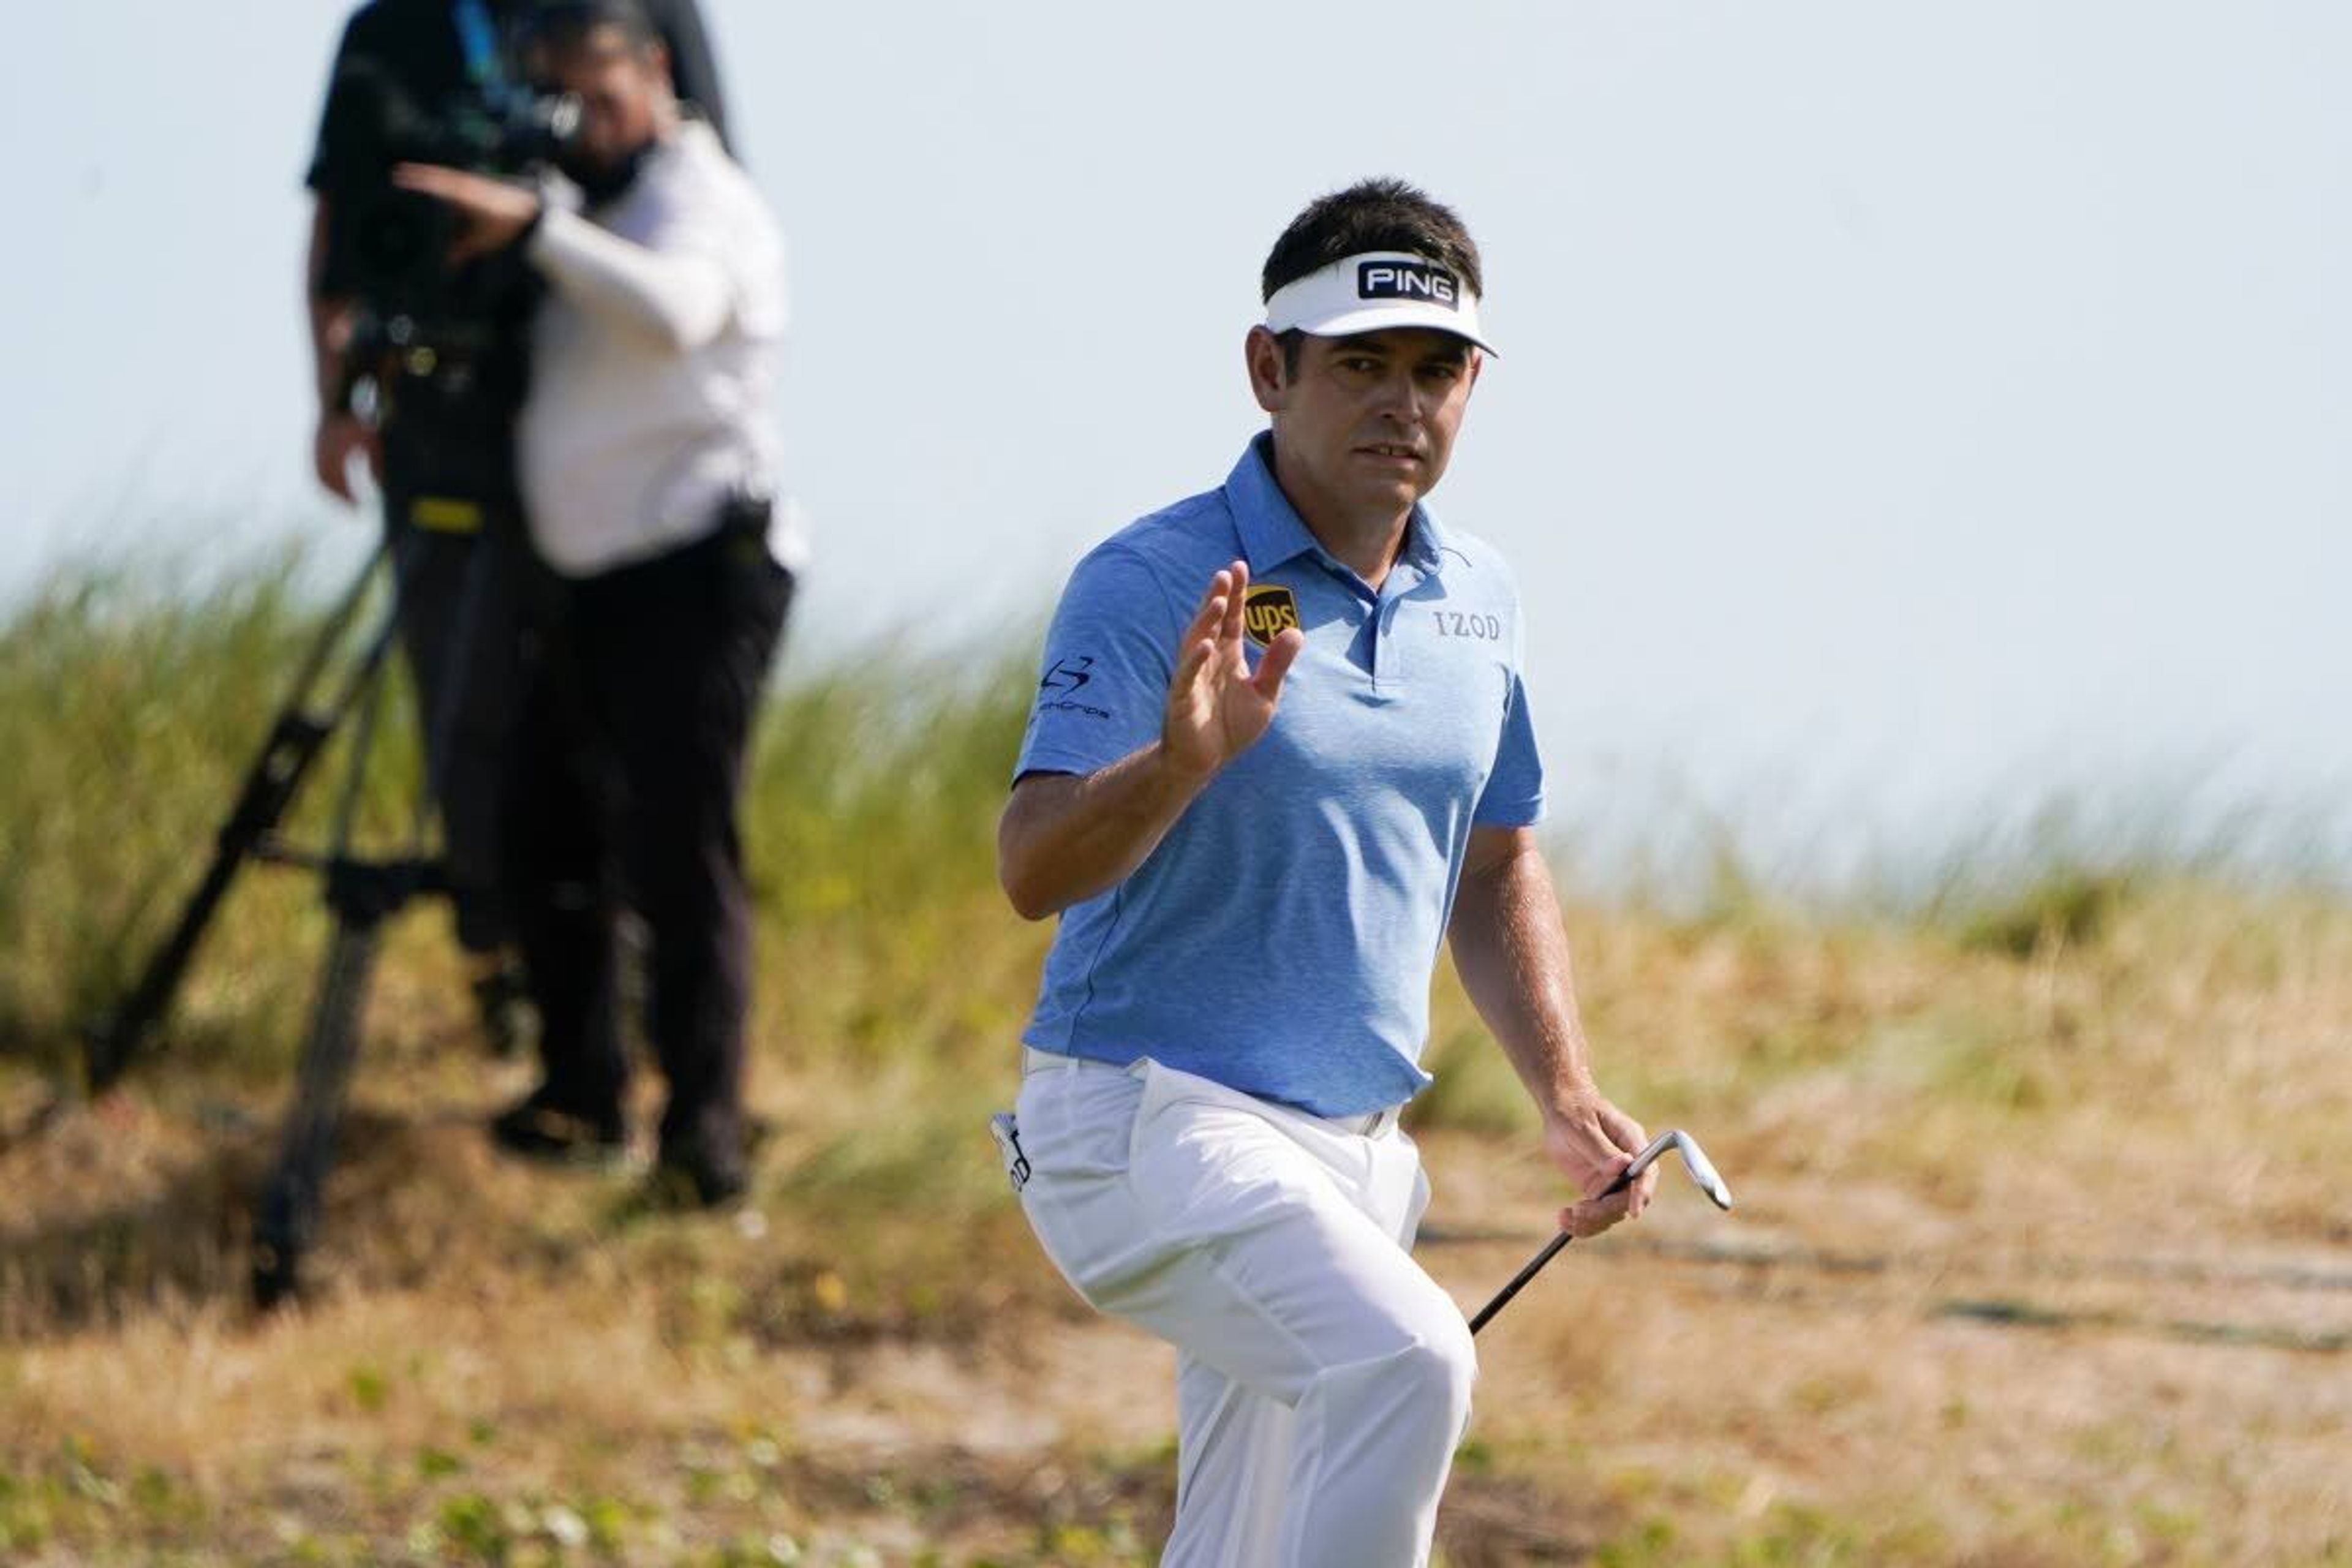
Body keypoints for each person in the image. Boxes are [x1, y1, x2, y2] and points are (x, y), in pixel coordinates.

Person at [992, 179, 1660, 1565]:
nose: (1400, 403)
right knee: (1408, 1361)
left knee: (1246, 1538)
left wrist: (1566, 1090)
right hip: (1146, 1122)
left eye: (1435, 371)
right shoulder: (1162, 576)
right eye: (1361, 363)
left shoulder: (1478, 597)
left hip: (1357, 1154)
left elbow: (1495, 857)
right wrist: (1179, 765)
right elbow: (1032, 866)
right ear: (1269, 367)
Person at [394, 0, 794, 1206]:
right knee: (542, 836)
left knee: (680, 852)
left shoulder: (703, 197)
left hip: (698, 572)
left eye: (600, 89)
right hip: (579, 582)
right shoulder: (573, 199)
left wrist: (539, 228)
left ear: (656, 71)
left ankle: (705, 1144)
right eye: (560, 93)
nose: (586, 118)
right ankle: (582, 1094)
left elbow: (674, 311)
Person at [301, 0, 736, 1054]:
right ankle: (502, 961)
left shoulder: (651, 14)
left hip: (604, 454)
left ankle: (621, 1016)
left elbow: (703, 200)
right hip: (438, 422)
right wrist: (333, 395)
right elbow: (338, 226)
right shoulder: (388, 31)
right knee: (466, 716)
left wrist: (539, 222)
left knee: (621, 759)